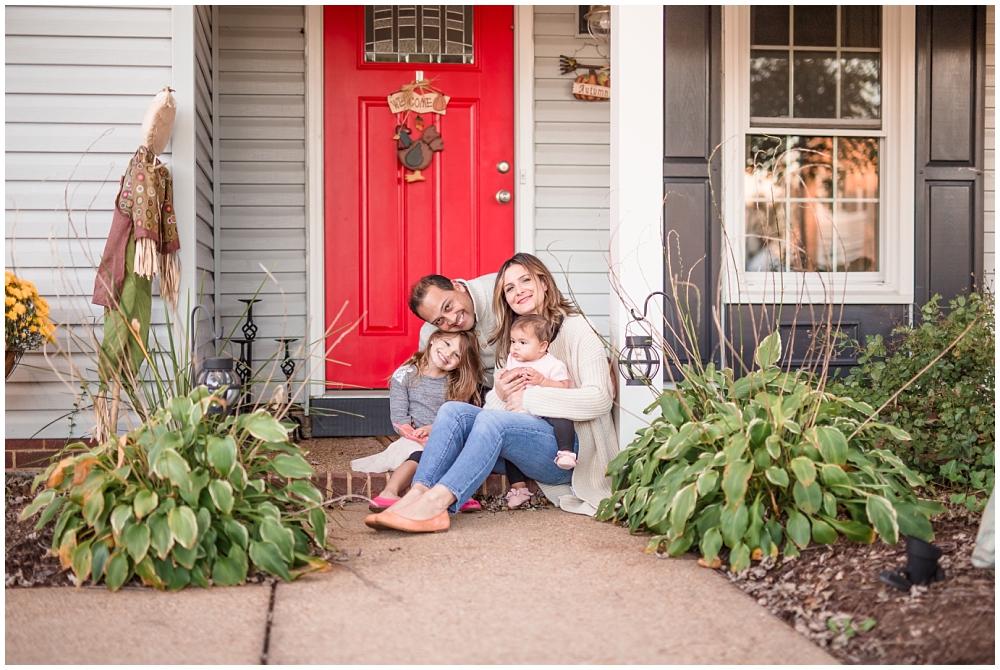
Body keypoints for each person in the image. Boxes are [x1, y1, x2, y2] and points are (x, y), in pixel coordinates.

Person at [365, 253, 618, 533]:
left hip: (569, 449)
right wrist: (500, 392)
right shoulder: (515, 338)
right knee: (453, 412)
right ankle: (416, 495)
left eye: (525, 280)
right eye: (509, 288)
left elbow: (600, 398)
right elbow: (497, 407)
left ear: (544, 283)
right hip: (529, 442)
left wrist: (530, 398)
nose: (518, 290)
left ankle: (437, 503)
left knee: (492, 421)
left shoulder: (578, 328)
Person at [363, 329, 485, 514]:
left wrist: (433, 430)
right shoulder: (404, 375)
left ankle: (455, 494)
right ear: (433, 339)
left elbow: (458, 418)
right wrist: (414, 434)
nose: (448, 353)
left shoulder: (456, 382)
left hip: (445, 437)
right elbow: (399, 419)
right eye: (447, 343)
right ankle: (389, 492)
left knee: (453, 453)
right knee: (420, 455)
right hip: (413, 441)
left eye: (457, 354)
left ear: (460, 363)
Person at [500, 314, 576, 509]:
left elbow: (564, 386)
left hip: (546, 412)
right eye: (513, 341)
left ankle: (566, 452)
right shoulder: (512, 359)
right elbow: (506, 379)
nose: (515, 347)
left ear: (542, 346)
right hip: (521, 414)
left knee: (563, 418)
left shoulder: (551, 364)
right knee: (510, 448)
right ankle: (518, 489)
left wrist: (543, 381)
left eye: (523, 342)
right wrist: (506, 377)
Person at [409, 273, 498, 386]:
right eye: (439, 321)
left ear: (457, 286)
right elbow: (425, 381)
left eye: (447, 306)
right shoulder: (430, 334)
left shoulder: (502, 289)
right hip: (478, 391)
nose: (452, 320)